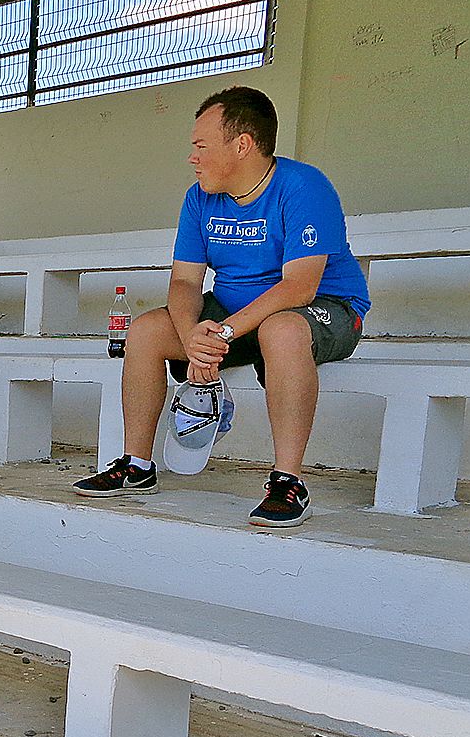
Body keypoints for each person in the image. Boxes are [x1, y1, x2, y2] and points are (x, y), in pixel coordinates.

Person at [73, 86, 369, 527]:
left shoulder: (304, 186)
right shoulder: (199, 198)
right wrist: (193, 335)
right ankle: (137, 464)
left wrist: (222, 334)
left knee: (281, 329)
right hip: (237, 314)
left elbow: (299, 288)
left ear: (243, 145)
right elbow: (185, 280)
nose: (192, 158)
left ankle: (289, 482)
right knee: (148, 330)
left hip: (326, 310)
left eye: (200, 146)